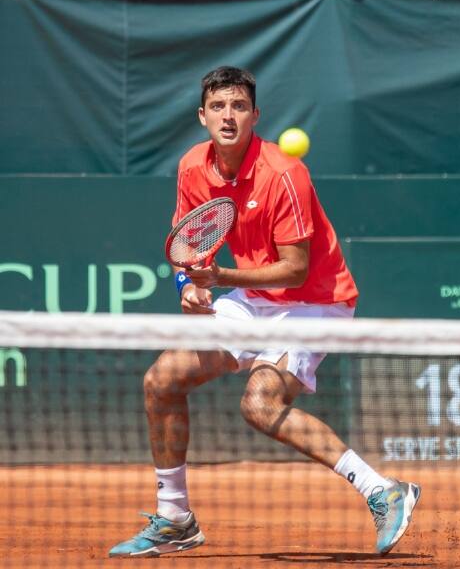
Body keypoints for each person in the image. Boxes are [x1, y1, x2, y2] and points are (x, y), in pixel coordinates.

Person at [109, 66, 420, 557]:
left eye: (237, 107)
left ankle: (382, 490)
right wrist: (189, 286)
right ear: (202, 116)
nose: (227, 116)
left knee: (259, 405)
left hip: (317, 301)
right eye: (217, 107)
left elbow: (295, 271)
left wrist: (223, 279)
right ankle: (174, 518)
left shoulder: (284, 173)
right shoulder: (193, 166)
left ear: (255, 115)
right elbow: (189, 248)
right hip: (253, 299)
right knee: (161, 380)